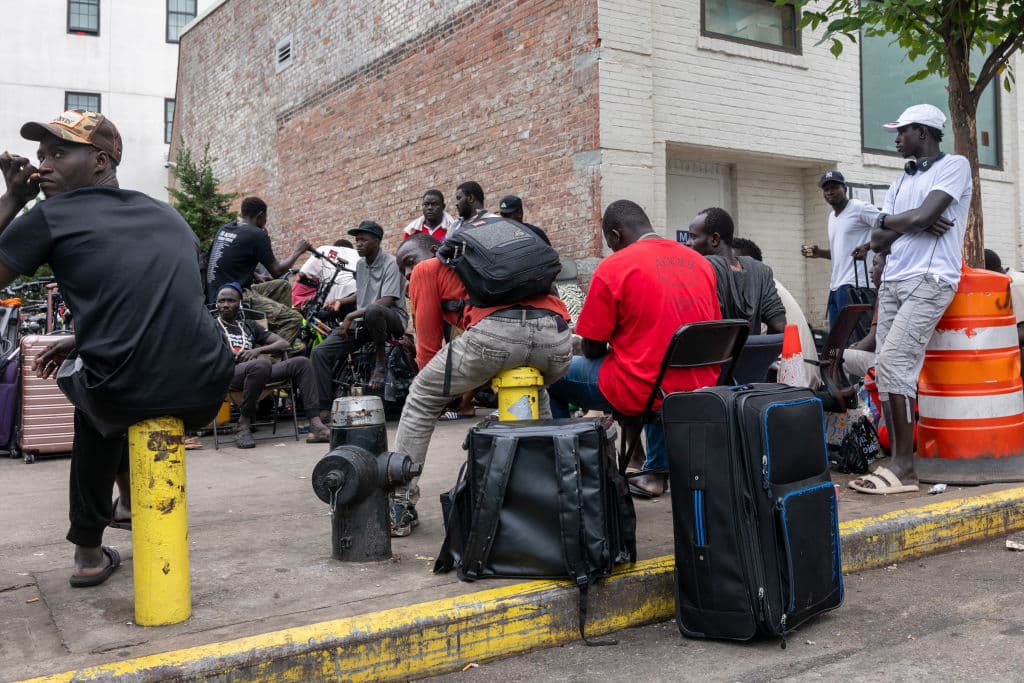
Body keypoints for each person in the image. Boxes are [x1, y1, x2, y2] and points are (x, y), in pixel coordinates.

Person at [0, 109, 233, 588]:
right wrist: (79, 337)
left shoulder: (49, 215)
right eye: (42, 155)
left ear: (100, 161)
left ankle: (88, 550)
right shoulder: (167, 214)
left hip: (125, 388)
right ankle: (128, 503)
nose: (43, 166)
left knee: (94, 398)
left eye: (59, 154)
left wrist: (12, 200)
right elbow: (158, 303)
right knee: (114, 379)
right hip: (207, 384)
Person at [389, 228, 572, 536]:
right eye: (402, 270)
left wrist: (444, 394)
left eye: (409, 260)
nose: (408, 272)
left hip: (496, 337)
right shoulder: (499, 266)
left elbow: (429, 349)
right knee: (534, 390)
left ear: (436, 249)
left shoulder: (428, 270)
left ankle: (399, 503)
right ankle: (550, 497)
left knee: (421, 394)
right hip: (556, 339)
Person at [548, 200, 721, 498]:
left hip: (646, 389)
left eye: (610, 243)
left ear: (615, 236)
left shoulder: (615, 266)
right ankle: (653, 468)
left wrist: (582, 344)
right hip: (701, 383)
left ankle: (564, 466)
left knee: (554, 373)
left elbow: (591, 347)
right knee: (652, 362)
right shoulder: (701, 263)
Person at [850, 104, 972, 495]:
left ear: (923, 132)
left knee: (893, 362)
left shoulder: (954, 166)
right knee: (887, 373)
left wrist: (905, 221)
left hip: (930, 278)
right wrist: (909, 220)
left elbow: (917, 219)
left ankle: (904, 466)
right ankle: (898, 461)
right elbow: (880, 235)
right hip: (894, 281)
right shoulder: (901, 180)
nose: (896, 139)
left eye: (901, 132)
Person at [214, 283, 331, 448]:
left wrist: (258, 350)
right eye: (221, 301)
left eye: (231, 301)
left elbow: (282, 343)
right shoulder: (211, 326)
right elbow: (205, 352)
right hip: (228, 374)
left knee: (302, 363)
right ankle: (243, 423)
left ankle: (315, 424)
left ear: (240, 303)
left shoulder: (250, 325)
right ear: (217, 304)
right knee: (261, 364)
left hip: (257, 372)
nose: (225, 305)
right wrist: (230, 354)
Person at [310, 220, 408, 415]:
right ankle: (323, 411)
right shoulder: (361, 264)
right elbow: (362, 292)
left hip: (391, 319)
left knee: (373, 311)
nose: (359, 243)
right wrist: (341, 301)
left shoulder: (392, 263)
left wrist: (350, 316)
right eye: (357, 240)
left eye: (363, 239)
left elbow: (386, 300)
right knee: (320, 352)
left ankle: (381, 361)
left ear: (377, 241)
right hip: (365, 322)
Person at [205, 197, 309, 345]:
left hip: (216, 292)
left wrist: (255, 274)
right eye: (265, 218)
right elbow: (277, 271)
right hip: (237, 296)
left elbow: (226, 259)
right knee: (293, 318)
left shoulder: (226, 228)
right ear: (260, 216)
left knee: (282, 286)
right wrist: (297, 252)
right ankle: (273, 356)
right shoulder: (257, 234)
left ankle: (265, 334)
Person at [732, 237, 821, 389]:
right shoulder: (771, 285)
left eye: (732, 262)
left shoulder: (758, 289)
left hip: (790, 379)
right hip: (805, 374)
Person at [689, 207, 786, 334]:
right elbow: (780, 326)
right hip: (753, 353)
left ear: (714, 239)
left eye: (693, 237)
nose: (688, 242)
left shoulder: (703, 268)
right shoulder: (761, 271)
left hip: (717, 353)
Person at [802, 171, 879, 329]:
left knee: (855, 339)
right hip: (836, 287)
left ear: (845, 188)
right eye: (826, 189)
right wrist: (820, 253)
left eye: (835, 187)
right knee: (838, 341)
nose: (830, 192)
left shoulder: (859, 208)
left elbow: (889, 227)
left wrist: (867, 246)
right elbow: (842, 254)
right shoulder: (832, 217)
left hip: (858, 286)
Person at [843, 252, 887, 379]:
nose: (870, 270)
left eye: (875, 264)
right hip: (905, 364)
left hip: (888, 365)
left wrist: (855, 349)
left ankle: (848, 398)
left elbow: (871, 341)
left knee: (840, 358)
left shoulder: (886, 293)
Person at [294, 238, 359, 319]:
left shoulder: (324, 250)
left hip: (333, 305)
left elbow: (301, 276)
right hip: (356, 302)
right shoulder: (360, 254)